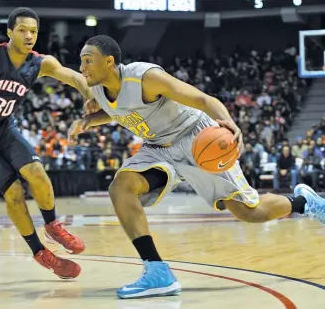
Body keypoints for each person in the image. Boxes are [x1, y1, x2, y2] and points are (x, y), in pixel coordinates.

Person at [69, 35, 325, 299]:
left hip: (196, 137)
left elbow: (204, 99)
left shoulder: (145, 77)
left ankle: (304, 202)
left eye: (88, 61)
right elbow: (120, 110)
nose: (82, 68)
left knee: (250, 213)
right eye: (81, 62)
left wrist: (227, 121)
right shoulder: (98, 89)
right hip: (158, 147)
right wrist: (89, 121)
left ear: (109, 61)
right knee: (120, 188)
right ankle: (157, 271)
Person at [0, 7, 95, 278]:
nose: (28, 36)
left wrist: (89, 95)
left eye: (33, 31)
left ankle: (52, 226)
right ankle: (40, 252)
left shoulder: (40, 62)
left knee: (37, 173)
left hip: (4, 128)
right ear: (9, 32)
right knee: (13, 192)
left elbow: (72, 76)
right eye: (22, 30)